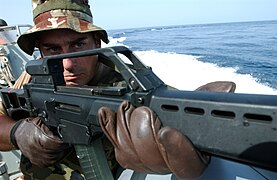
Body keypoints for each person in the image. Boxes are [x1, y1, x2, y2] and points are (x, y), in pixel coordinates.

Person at [0, 0, 235, 179]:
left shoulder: (127, 83)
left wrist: (190, 130)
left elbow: (169, 109)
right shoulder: (32, 77)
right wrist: (17, 133)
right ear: (40, 52)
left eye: (78, 45)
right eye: (52, 50)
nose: (68, 64)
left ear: (97, 43)